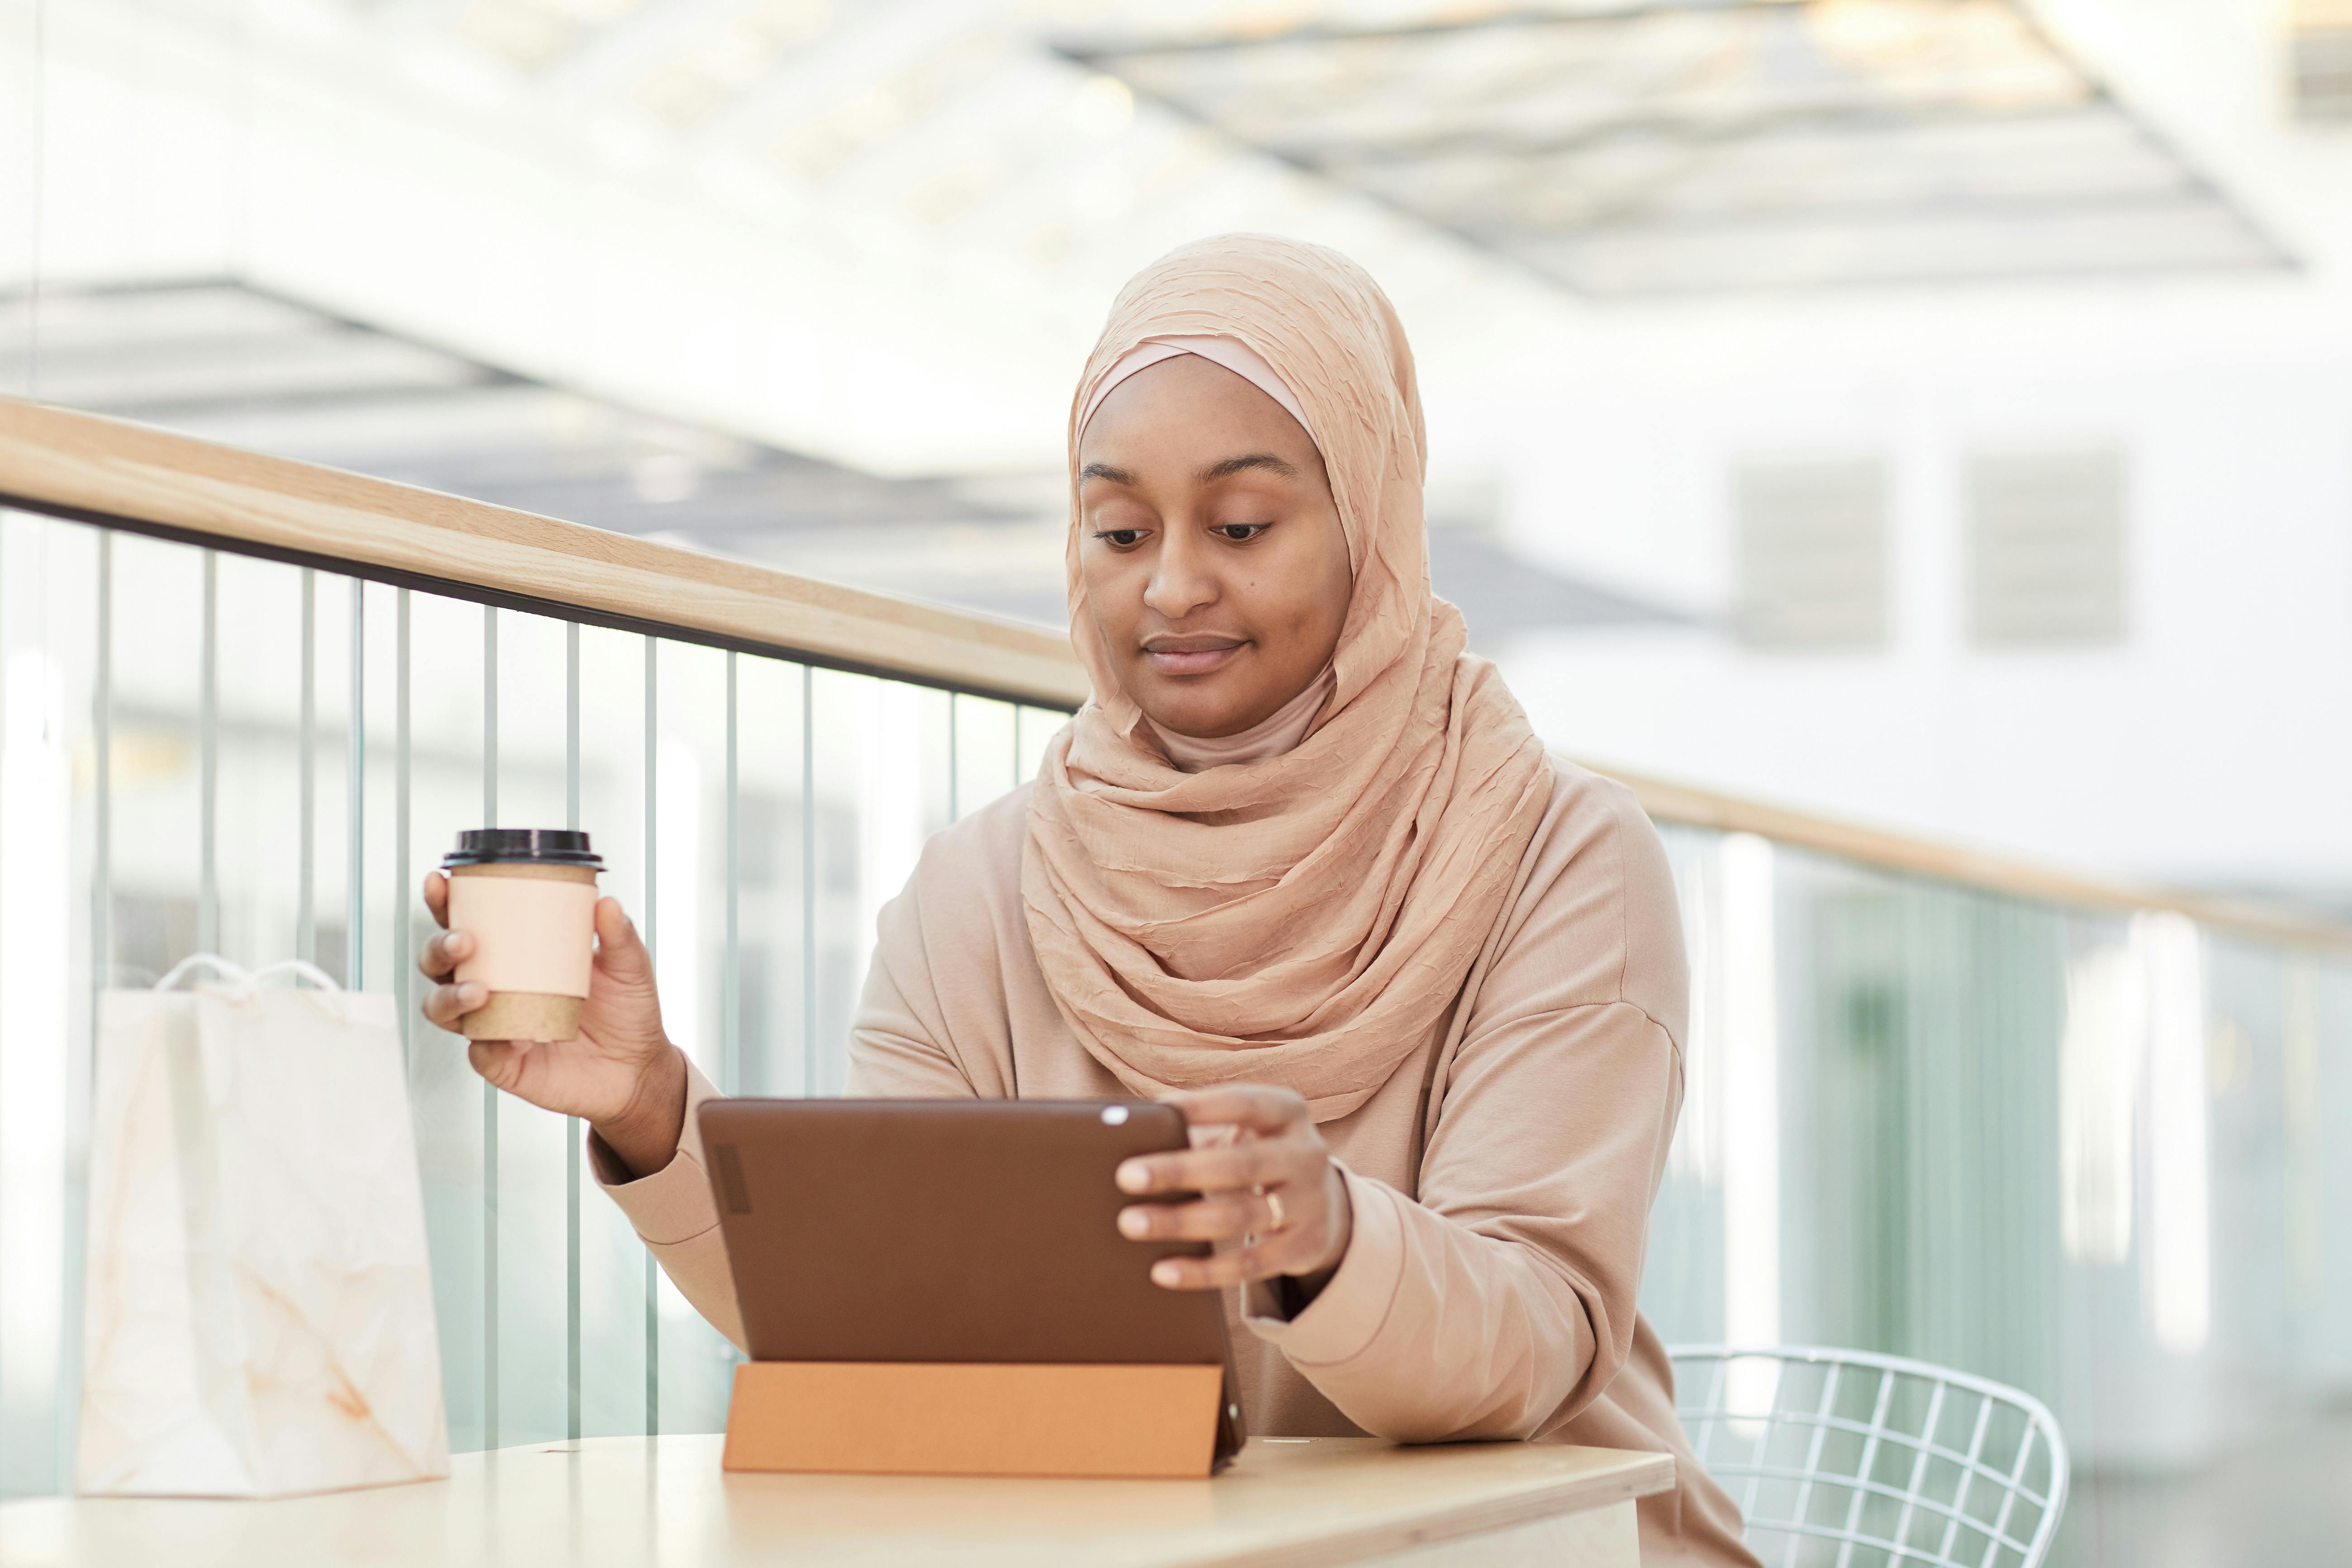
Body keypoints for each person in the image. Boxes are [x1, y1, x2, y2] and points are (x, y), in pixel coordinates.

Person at [420, 234, 1759, 1566]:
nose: (1171, 584)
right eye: (1120, 530)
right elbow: (896, 1323)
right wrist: (652, 1106)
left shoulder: (1558, 854)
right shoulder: (983, 889)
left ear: (1371, 519)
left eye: (1241, 525)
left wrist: (1330, 1236)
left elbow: (1534, 1340)